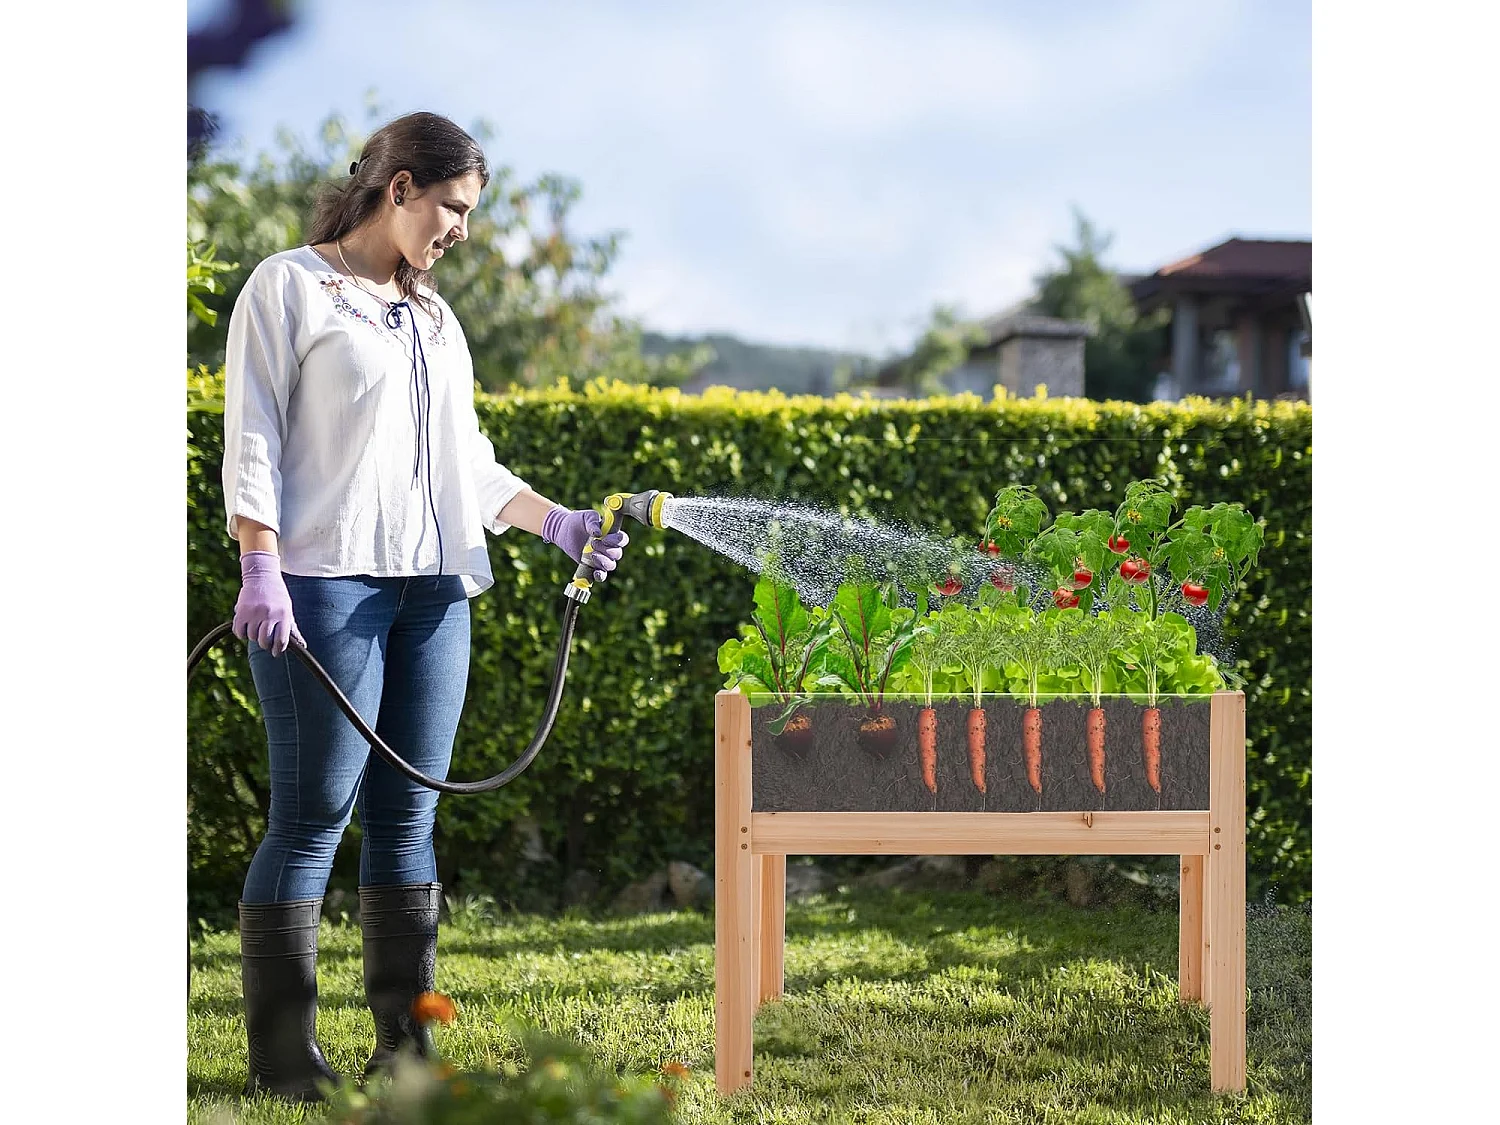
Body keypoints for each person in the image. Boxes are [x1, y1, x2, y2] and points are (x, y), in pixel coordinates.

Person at [221, 110, 629, 1102]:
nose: (460, 230)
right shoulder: (290, 286)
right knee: (314, 815)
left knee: (409, 818)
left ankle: (406, 1048)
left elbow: (467, 459)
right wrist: (259, 563)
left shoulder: (436, 319)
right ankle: (284, 1060)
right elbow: (254, 436)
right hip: (324, 587)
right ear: (397, 186)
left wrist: (554, 521)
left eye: (469, 213)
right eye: (451, 206)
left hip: (436, 591)